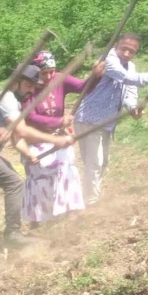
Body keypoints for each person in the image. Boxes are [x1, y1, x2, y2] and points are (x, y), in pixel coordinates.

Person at [0, 64, 74, 247]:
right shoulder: (6, 99)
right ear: (17, 83)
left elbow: (16, 138)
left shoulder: (14, 104)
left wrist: (29, 154)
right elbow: (22, 131)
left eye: (33, 86)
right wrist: (54, 140)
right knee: (15, 183)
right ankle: (13, 233)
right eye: (28, 86)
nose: (31, 90)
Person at [75, 34, 148, 204]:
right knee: (95, 161)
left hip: (107, 122)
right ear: (117, 45)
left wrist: (132, 108)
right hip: (88, 118)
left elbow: (129, 92)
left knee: (103, 163)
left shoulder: (130, 66)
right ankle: (91, 200)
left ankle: (90, 195)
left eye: (131, 51)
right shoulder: (107, 60)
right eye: (123, 48)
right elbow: (124, 78)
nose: (126, 53)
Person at [22, 51, 103, 224]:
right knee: (41, 173)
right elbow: (31, 117)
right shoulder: (29, 86)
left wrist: (94, 76)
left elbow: (83, 87)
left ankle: (70, 208)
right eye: (44, 73)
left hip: (58, 136)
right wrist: (59, 121)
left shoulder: (60, 79)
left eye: (51, 71)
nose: (49, 76)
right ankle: (40, 217)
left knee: (67, 165)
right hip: (36, 139)